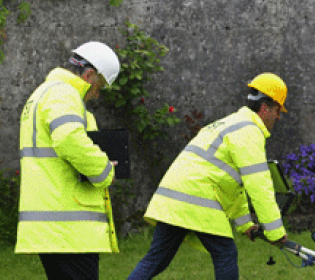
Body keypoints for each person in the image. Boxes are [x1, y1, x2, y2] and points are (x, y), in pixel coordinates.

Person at [127, 73, 289, 280]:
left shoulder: (228, 123)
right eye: (277, 110)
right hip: (199, 198)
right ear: (265, 108)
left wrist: (246, 225)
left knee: (156, 259)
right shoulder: (249, 132)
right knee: (225, 254)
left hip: (173, 198)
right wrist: (275, 232)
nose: (278, 117)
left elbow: (233, 186)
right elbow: (259, 186)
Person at [15, 41, 122, 280]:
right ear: (89, 75)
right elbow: (68, 138)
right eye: (100, 86)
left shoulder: (43, 93)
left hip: (55, 223)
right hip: (69, 227)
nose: (97, 94)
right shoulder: (64, 93)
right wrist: (103, 170)